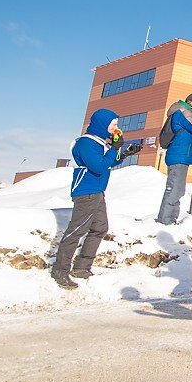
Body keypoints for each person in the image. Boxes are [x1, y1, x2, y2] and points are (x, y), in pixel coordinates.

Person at [51, 108, 141, 288]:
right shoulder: (87, 143)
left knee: (100, 227)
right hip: (86, 192)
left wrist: (124, 153)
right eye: (113, 124)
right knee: (76, 230)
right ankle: (60, 271)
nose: (116, 128)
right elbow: (98, 166)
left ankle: (82, 267)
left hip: (97, 191)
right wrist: (114, 148)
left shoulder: (99, 142)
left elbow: (108, 162)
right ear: (102, 124)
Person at [156, 93, 192, 225]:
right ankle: (165, 220)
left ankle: (171, 219)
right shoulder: (182, 112)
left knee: (178, 190)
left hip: (181, 156)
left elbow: (191, 128)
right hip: (178, 156)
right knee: (174, 189)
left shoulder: (183, 113)